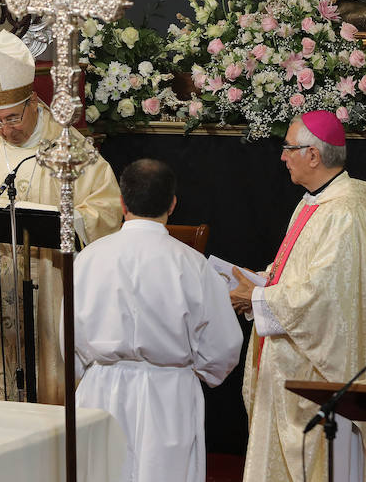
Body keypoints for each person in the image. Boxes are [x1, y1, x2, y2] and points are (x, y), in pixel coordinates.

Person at [0, 30, 122, 403]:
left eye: (12, 118)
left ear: (34, 101)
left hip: (48, 287)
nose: (6, 129)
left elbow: (107, 207)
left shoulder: (70, 147)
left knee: (46, 385)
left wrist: (72, 222)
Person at [230, 110, 366, 482]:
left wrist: (258, 298)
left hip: (317, 376)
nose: (283, 156)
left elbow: (325, 297)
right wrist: (262, 279)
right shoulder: (312, 203)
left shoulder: (345, 213)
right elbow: (299, 272)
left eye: (289, 148)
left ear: (314, 156)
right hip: (289, 364)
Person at [70, 158, 242, 482]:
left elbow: (68, 333)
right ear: (173, 204)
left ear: (122, 203)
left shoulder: (89, 258)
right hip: (169, 393)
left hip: (101, 391)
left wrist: (89, 370)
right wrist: (200, 372)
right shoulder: (192, 264)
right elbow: (223, 344)